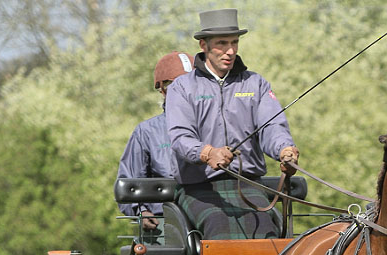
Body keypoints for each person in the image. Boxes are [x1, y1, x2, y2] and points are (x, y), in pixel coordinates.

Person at [165, 8, 300, 239]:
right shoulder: (182, 88)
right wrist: (207, 153)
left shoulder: (256, 84)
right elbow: (180, 137)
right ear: (203, 45)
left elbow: (272, 127)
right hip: (199, 187)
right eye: (222, 43)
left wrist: (284, 149)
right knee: (218, 225)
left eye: (234, 43)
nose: (230, 51)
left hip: (249, 184)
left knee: (266, 230)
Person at [117, 51, 195, 230]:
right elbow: (129, 182)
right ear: (162, 90)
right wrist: (140, 211)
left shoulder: (216, 125)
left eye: (192, 85)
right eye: (177, 86)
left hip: (213, 218)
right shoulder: (146, 133)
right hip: (164, 223)